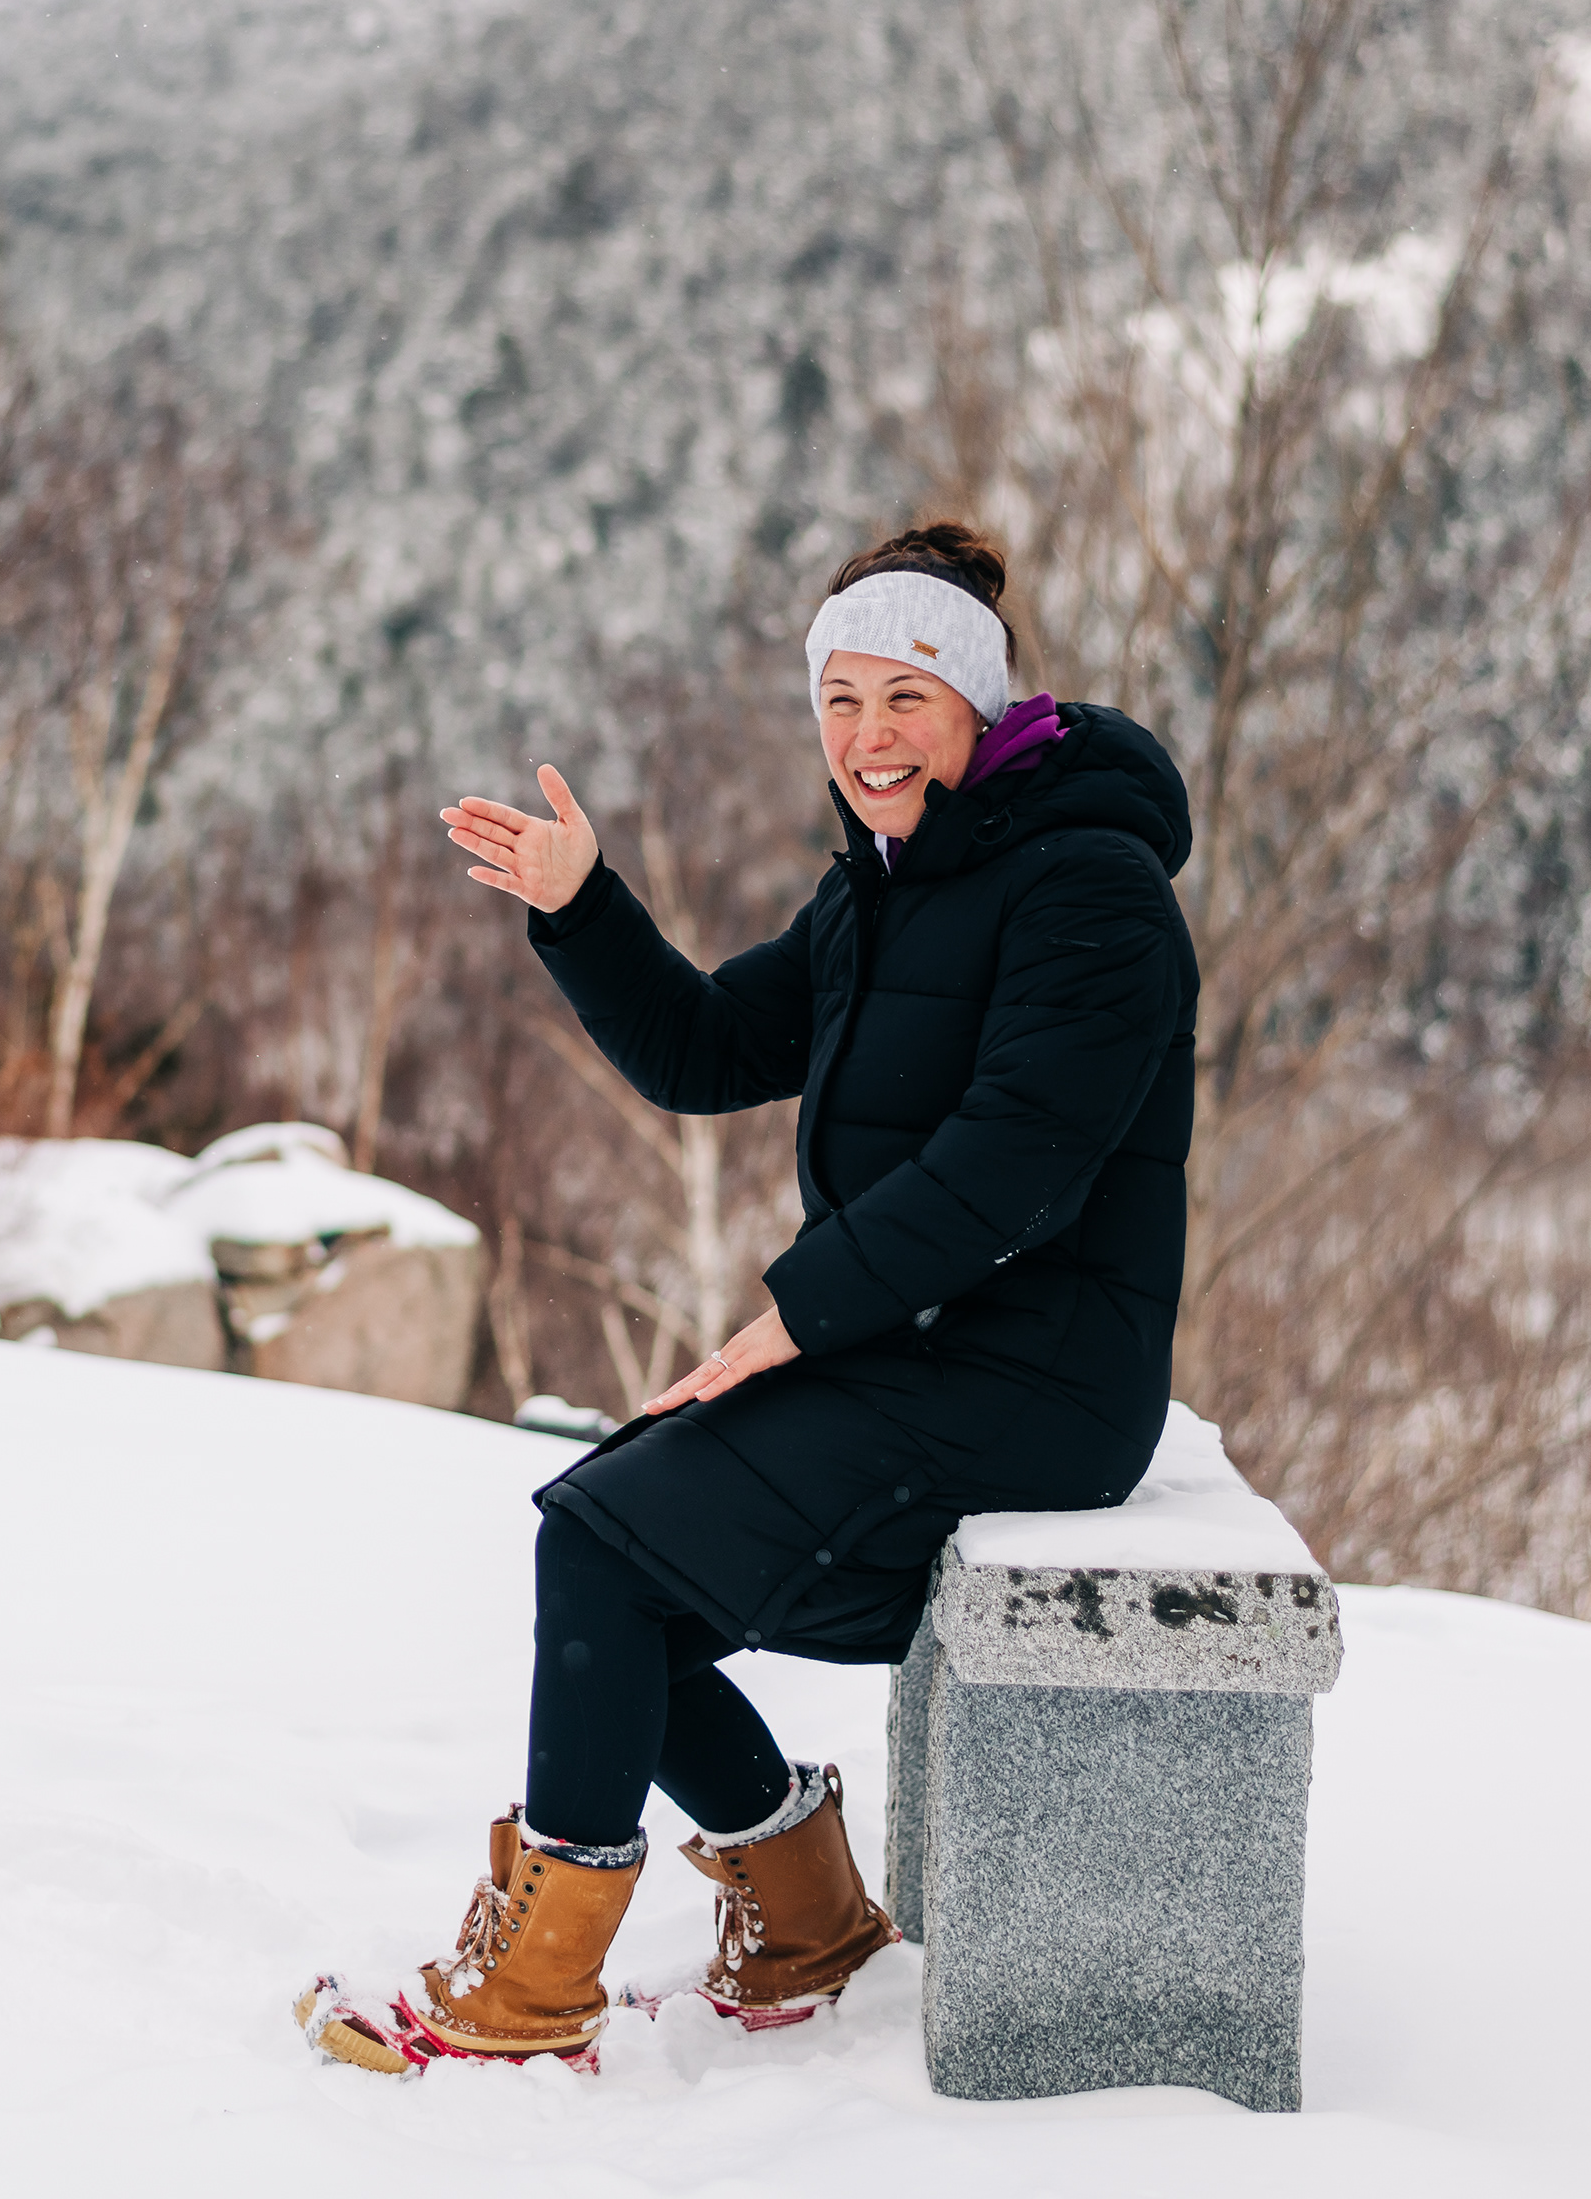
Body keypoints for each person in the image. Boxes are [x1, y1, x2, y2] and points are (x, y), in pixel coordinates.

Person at [297, 521, 1201, 2075]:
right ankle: (804, 1919)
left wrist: (787, 1321)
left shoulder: (1092, 894)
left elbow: (1014, 1169)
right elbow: (707, 1049)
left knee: (604, 1547)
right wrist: (583, 905)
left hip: (1038, 1379)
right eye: (840, 700)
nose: (867, 736)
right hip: (921, 1347)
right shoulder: (883, 894)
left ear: (977, 704)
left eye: (905, 698)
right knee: (620, 1546)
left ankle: (530, 2001)